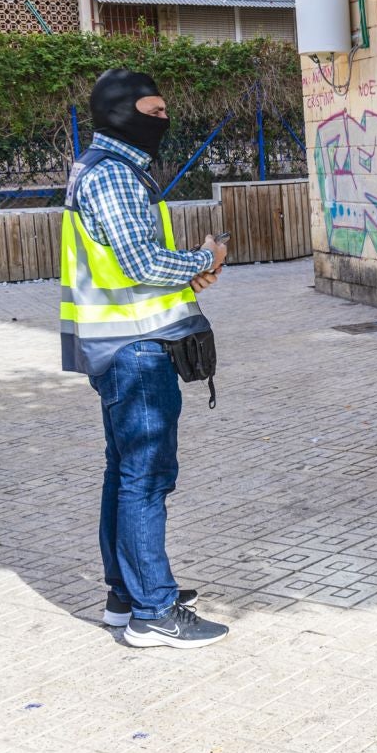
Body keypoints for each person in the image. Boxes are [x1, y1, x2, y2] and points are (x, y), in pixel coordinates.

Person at [62, 69, 231, 649]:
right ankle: (153, 613)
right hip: (135, 351)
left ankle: (126, 595)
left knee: (124, 472)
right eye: (153, 111)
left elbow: (130, 264)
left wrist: (185, 276)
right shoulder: (112, 176)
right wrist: (203, 258)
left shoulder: (104, 169)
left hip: (121, 342)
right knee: (146, 478)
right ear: (119, 111)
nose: (163, 121)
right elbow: (139, 264)